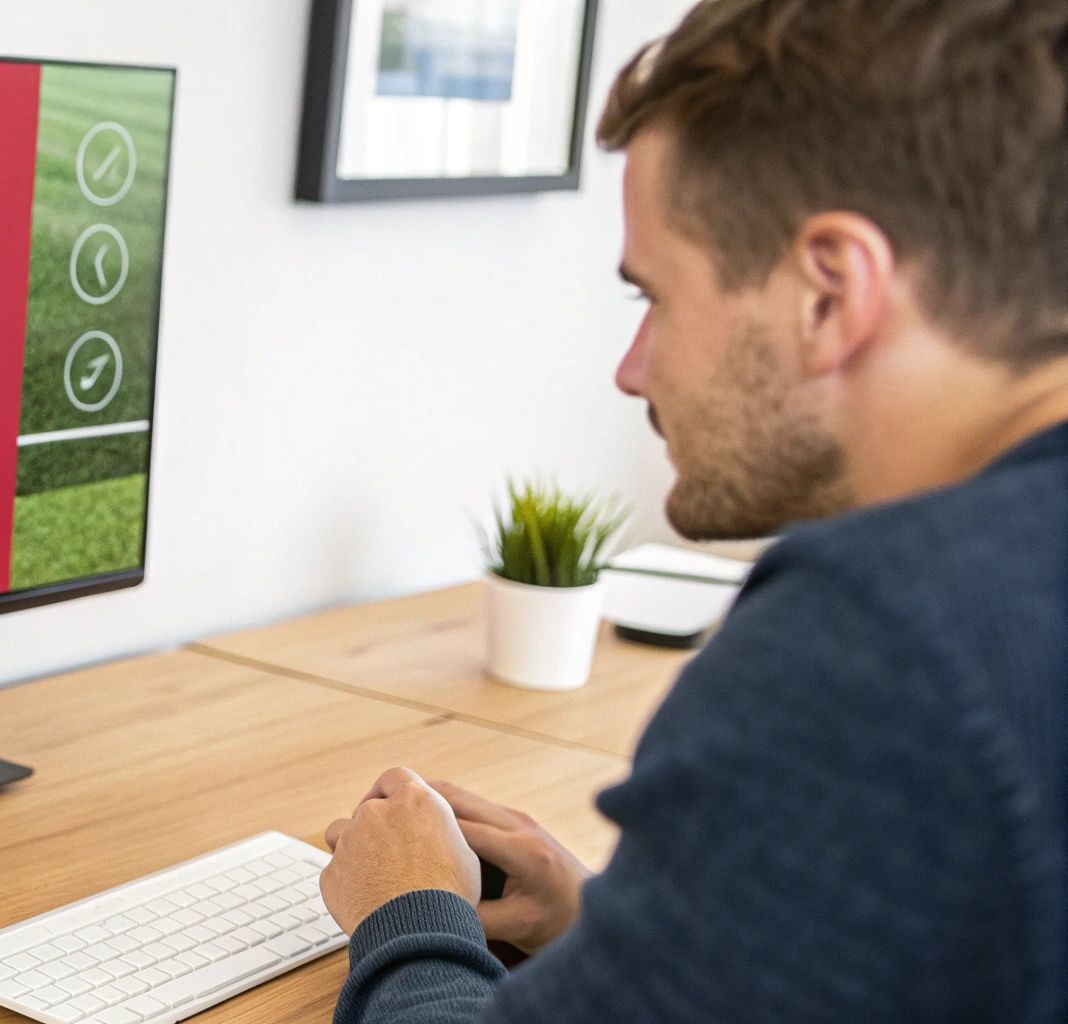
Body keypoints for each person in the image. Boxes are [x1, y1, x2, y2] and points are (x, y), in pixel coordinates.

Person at [318, 1, 1068, 1020]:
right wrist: (627, 933)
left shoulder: (878, 635)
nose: (630, 371)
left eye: (651, 299)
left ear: (827, 292)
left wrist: (406, 911)